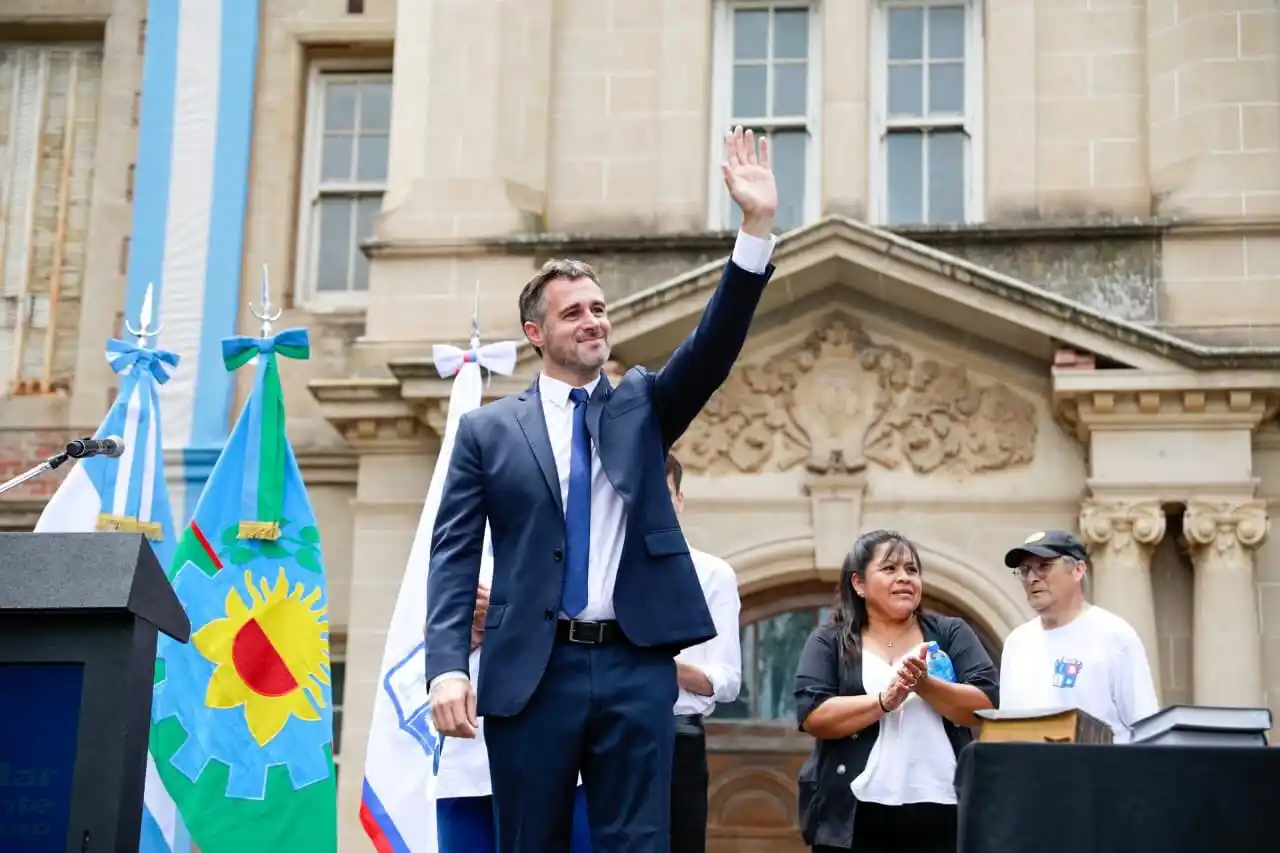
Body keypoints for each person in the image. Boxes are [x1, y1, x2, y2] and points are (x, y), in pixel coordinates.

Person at [425, 125, 779, 853]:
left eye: (600, 308)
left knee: (638, 844)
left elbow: (712, 348)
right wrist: (447, 670)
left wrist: (754, 231)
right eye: (574, 312)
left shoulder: (642, 406)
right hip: (532, 669)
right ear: (535, 331)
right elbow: (453, 558)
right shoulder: (487, 434)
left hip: (633, 664)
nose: (595, 321)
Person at [793, 530, 998, 853]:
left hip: (942, 804)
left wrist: (925, 685)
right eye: (889, 569)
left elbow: (985, 705)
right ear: (858, 584)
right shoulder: (830, 640)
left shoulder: (951, 632)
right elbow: (813, 715)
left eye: (912, 570)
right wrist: (883, 702)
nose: (904, 578)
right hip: (855, 808)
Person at [999, 529, 1160, 742]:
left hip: (1097, 771)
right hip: (1028, 772)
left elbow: (1145, 726)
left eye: (1044, 566)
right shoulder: (1016, 642)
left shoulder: (1114, 635)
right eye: (1025, 570)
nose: (1031, 578)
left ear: (1078, 570)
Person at [664, 454, 742, 853]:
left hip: (675, 734)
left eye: (661, 495)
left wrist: (664, 666)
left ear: (679, 499)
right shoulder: (594, 569)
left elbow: (727, 680)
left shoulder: (712, 575)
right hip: (594, 730)